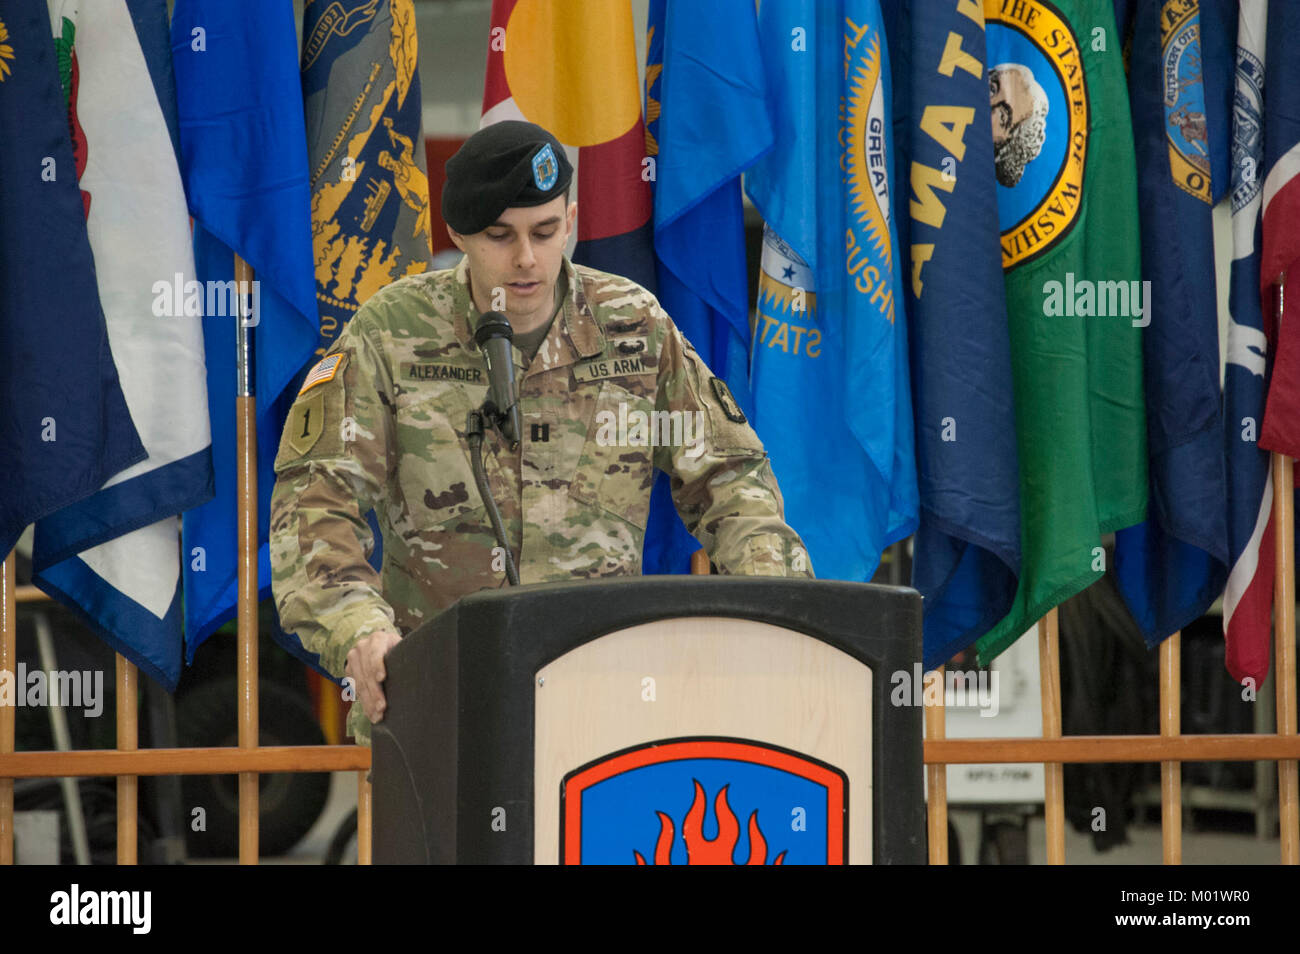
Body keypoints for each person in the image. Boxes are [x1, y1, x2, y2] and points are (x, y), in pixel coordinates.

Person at [269, 120, 812, 745]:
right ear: (458, 235)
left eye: (546, 232)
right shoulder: (389, 336)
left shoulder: (633, 328)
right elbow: (313, 500)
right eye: (500, 237)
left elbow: (729, 473)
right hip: (436, 706)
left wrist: (776, 604)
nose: (527, 258)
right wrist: (359, 629)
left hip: (602, 712)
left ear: (572, 220)